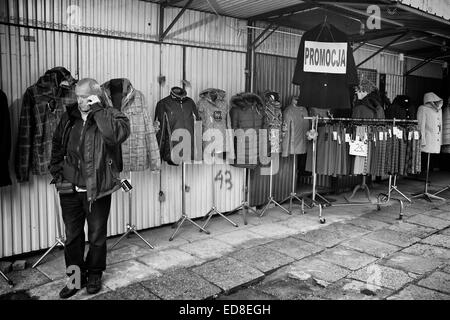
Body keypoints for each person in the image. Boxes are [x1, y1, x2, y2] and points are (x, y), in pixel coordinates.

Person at [49, 78, 130, 299]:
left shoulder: (112, 115)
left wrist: (97, 110)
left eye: (85, 97)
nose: (80, 101)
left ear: (95, 95)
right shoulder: (69, 117)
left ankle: (94, 274)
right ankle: (75, 279)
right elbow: (57, 144)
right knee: (72, 237)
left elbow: (115, 136)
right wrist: (57, 172)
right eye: (77, 96)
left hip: (98, 189)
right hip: (70, 188)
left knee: (96, 236)